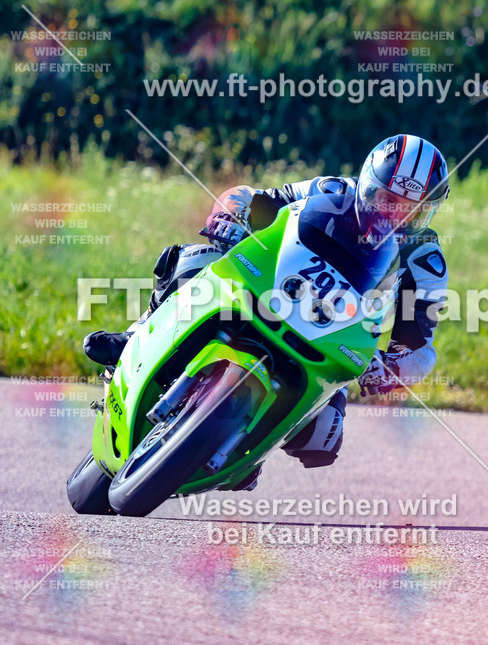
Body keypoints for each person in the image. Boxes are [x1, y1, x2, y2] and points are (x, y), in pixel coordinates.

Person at [84, 134, 451, 489]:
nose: (395, 216)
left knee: (322, 438)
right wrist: (231, 215)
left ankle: (250, 453)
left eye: (412, 211)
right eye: (387, 200)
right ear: (367, 183)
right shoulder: (333, 191)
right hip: (271, 288)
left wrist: (392, 368)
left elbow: (420, 346)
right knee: (194, 260)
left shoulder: (425, 262)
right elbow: (255, 198)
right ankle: (136, 334)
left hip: (332, 338)